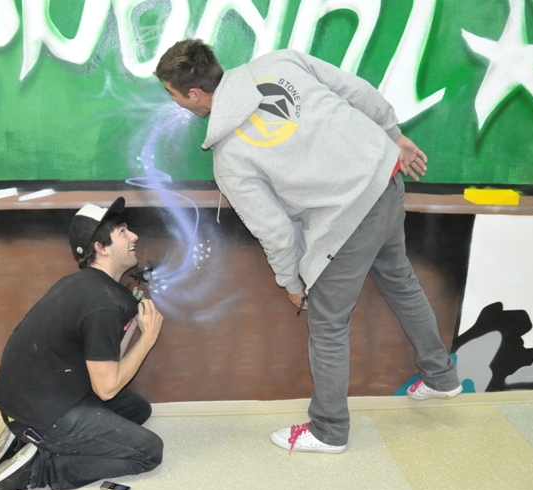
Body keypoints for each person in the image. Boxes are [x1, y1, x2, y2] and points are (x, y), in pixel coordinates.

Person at [155, 40, 462, 454]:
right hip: (385, 179)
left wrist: (292, 281)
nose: (174, 101)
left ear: (194, 94)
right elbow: (358, 91)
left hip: (349, 217)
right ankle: (441, 376)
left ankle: (329, 430)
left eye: (173, 94)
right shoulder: (280, 63)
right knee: (400, 280)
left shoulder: (229, 157)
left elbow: (275, 231)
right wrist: (395, 135)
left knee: (328, 323)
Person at [0, 197, 164, 490]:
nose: (134, 236)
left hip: (34, 397)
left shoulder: (86, 286)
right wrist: (148, 339)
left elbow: (107, 361)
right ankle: (39, 468)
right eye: (123, 232)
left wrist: (133, 327)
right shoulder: (102, 303)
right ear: (101, 248)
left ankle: (24, 437)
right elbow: (106, 389)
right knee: (148, 452)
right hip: (43, 409)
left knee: (137, 409)